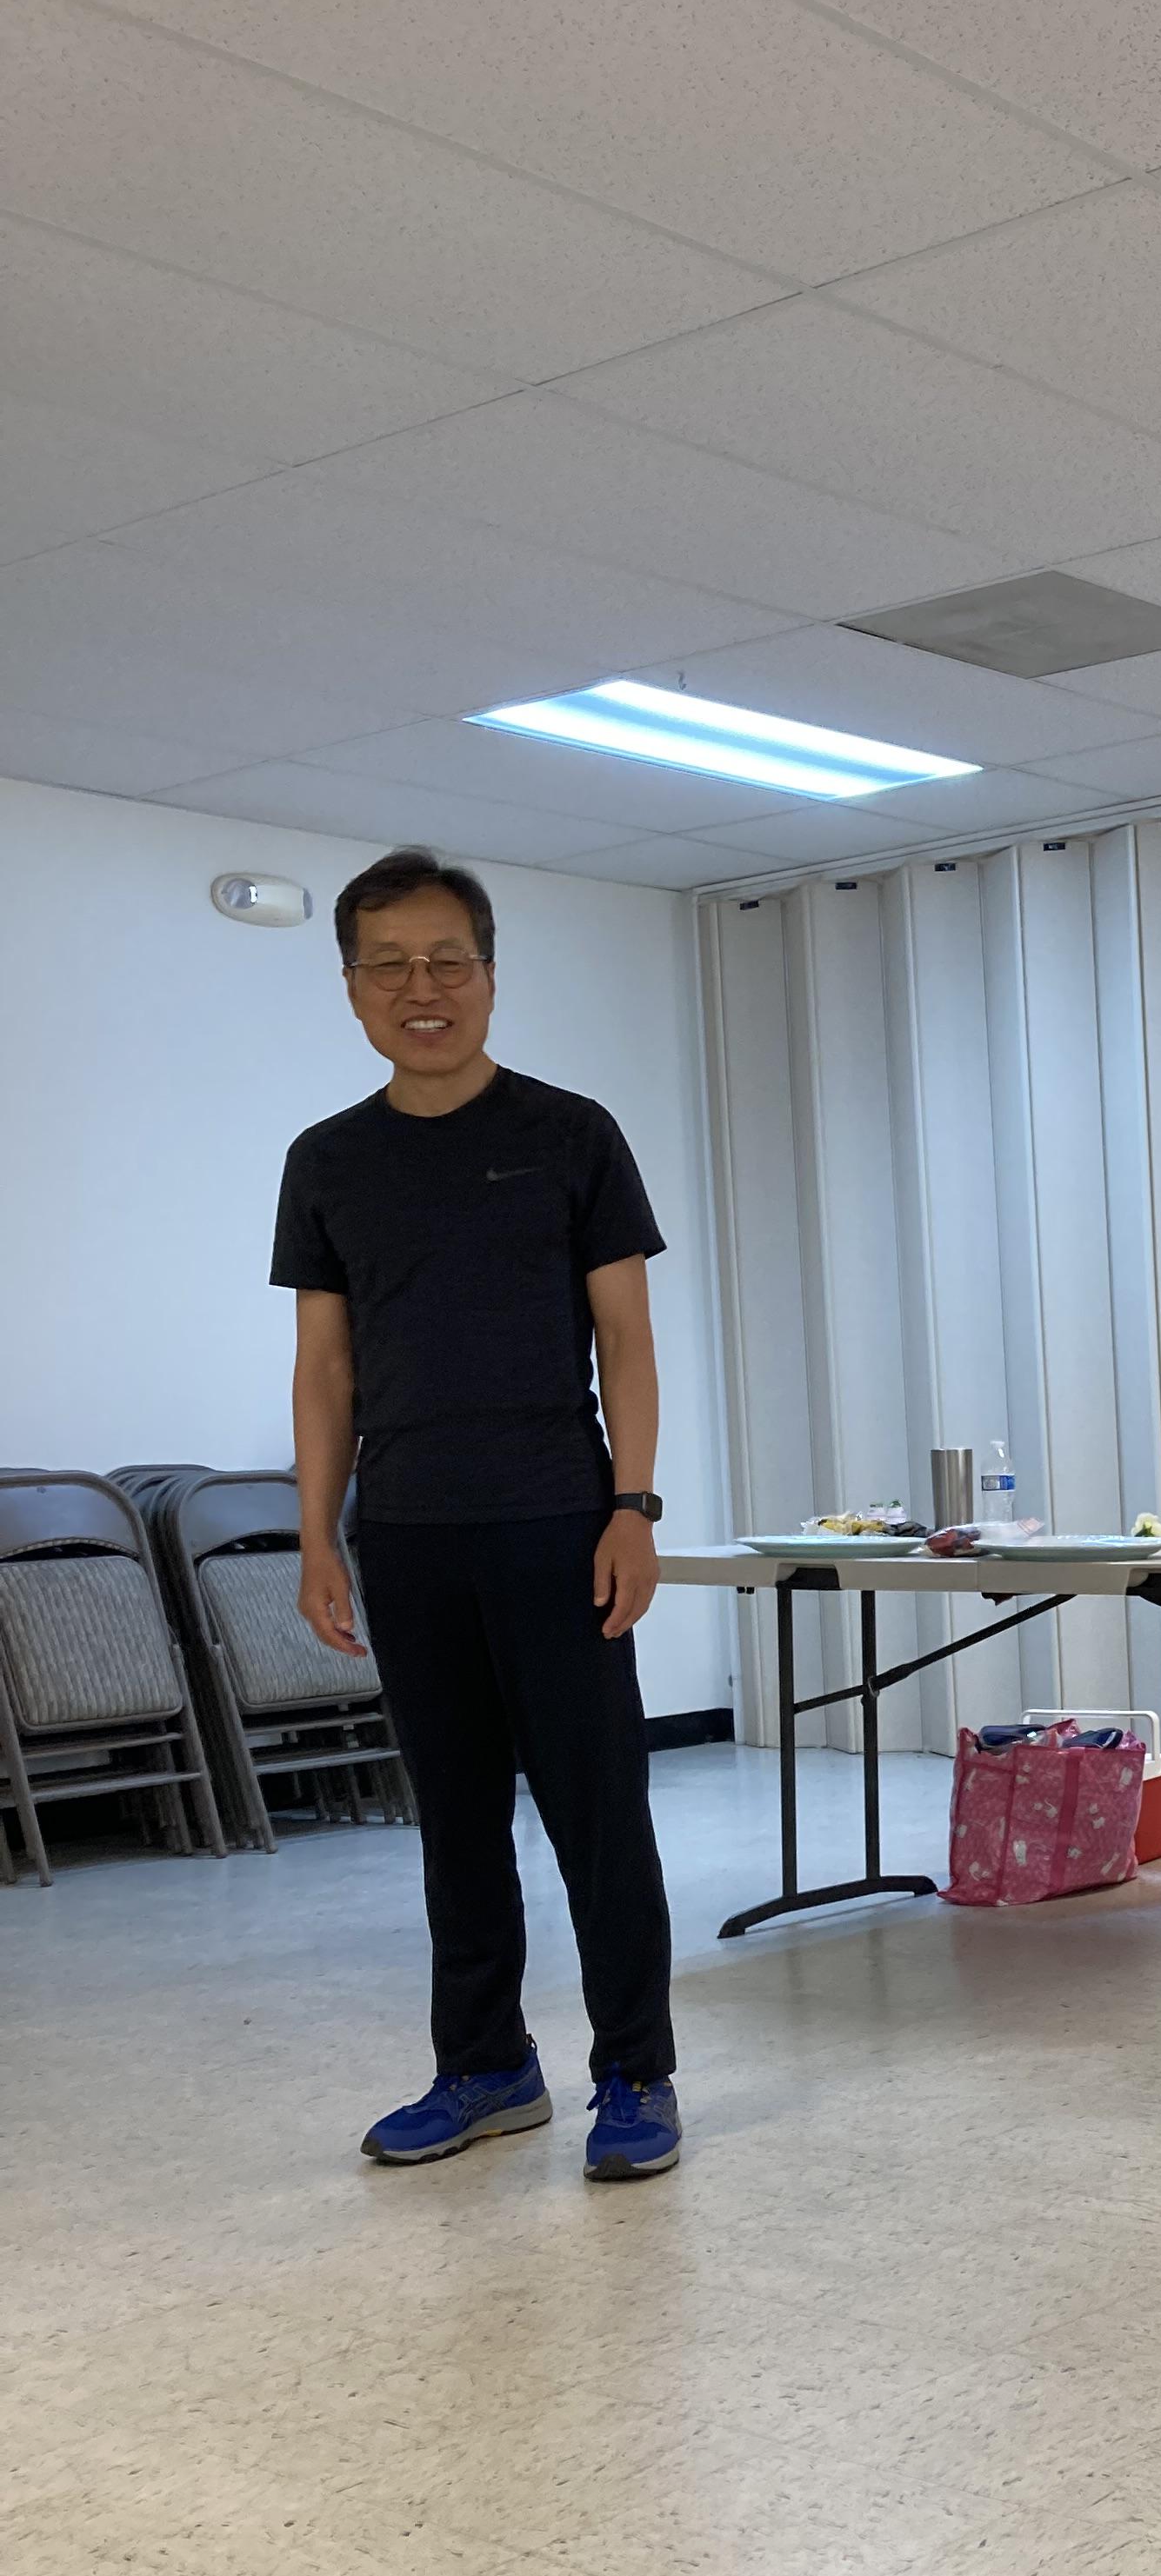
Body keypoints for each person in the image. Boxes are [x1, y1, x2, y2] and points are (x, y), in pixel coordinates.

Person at [272, 849, 684, 2182]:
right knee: (453, 1823)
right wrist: (317, 1533)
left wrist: (632, 1507)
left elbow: (626, 1340)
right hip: (406, 1533)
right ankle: (488, 2067)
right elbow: (324, 1367)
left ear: (490, 976)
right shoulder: (327, 1161)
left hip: (558, 1523)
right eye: (389, 965)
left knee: (597, 1815)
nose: (422, 988)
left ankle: (635, 2074)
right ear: (352, 988)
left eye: (448, 960)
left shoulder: (572, 1135)